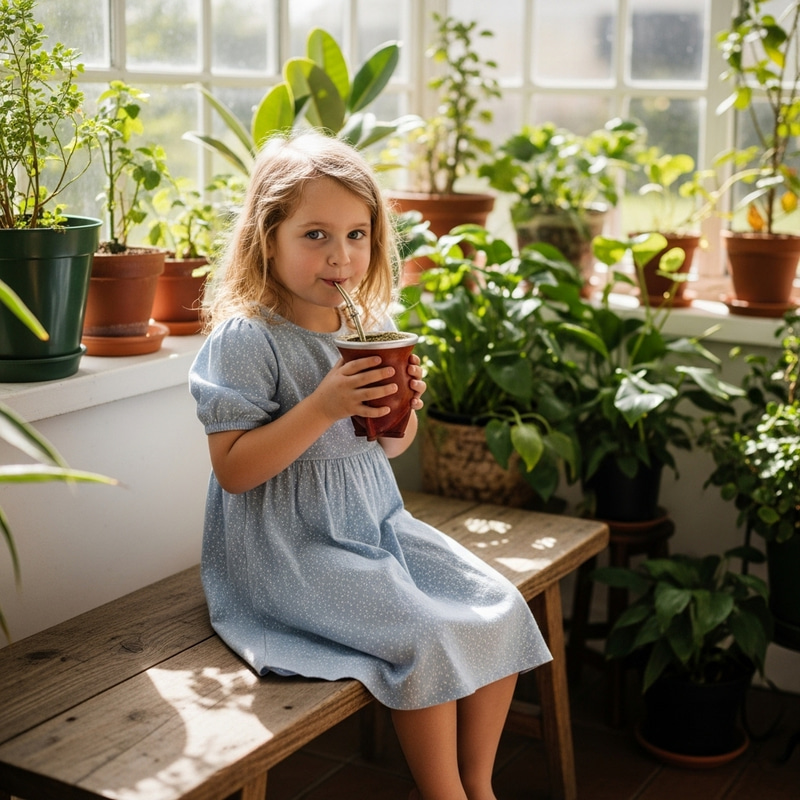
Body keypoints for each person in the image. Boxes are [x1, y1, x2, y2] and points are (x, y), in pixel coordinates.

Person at [189, 131, 551, 800]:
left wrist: (402, 411)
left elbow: (383, 448)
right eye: (316, 235)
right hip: (285, 549)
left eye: (358, 235)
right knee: (426, 633)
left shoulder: (364, 326)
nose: (341, 256)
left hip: (373, 525)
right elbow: (236, 470)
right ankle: (444, 792)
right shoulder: (247, 338)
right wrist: (322, 405)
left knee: (498, 607)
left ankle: (479, 782)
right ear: (268, 239)